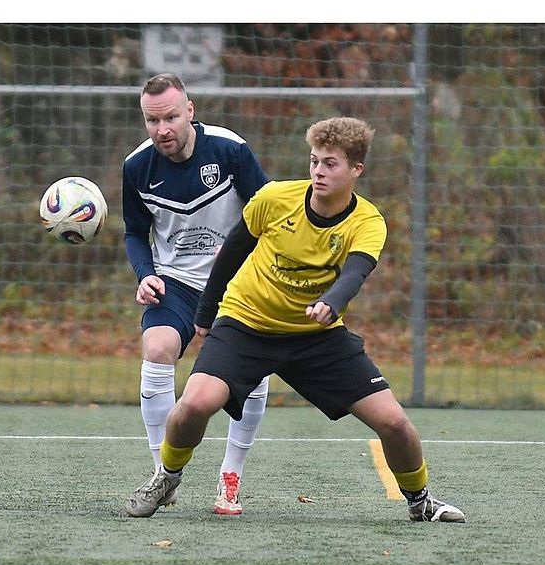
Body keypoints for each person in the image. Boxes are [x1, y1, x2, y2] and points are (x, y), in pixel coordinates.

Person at [126, 116, 466, 523]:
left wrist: (332, 302)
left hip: (316, 337)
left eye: (330, 164)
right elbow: (232, 252)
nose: (318, 172)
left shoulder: (368, 221)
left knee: (394, 423)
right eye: (314, 161)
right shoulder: (274, 199)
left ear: (356, 169)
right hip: (246, 324)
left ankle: (420, 500)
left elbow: (357, 271)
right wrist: (205, 313)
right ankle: (166, 477)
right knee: (193, 405)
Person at [121, 73, 271, 516]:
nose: (162, 129)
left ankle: (231, 477)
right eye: (152, 120)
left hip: (238, 282)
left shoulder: (229, 149)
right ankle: (162, 475)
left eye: (170, 117)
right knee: (158, 347)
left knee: (252, 368)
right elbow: (134, 231)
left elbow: (266, 212)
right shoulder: (137, 167)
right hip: (176, 282)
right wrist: (145, 273)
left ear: (190, 111)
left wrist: (266, 272)